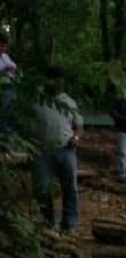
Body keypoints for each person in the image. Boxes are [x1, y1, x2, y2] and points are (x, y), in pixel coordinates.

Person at [30, 66, 83, 233]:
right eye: (53, 79)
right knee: (42, 187)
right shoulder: (35, 98)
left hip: (65, 149)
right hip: (41, 150)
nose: (56, 82)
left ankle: (69, 224)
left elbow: (79, 125)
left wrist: (76, 138)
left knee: (70, 188)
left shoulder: (68, 101)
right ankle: (47, 221)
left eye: (59, 79)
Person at [0, 34, 18, 137]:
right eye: (1, 45)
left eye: (4, 46)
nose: (3, 48)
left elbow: (13, 66)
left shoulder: (5, 56)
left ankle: (6, 127)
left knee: (11, 106)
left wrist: (12, 68)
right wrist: (5, 70)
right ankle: (3, 128)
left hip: (11, 85)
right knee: (4, 108)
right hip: (2, 88)